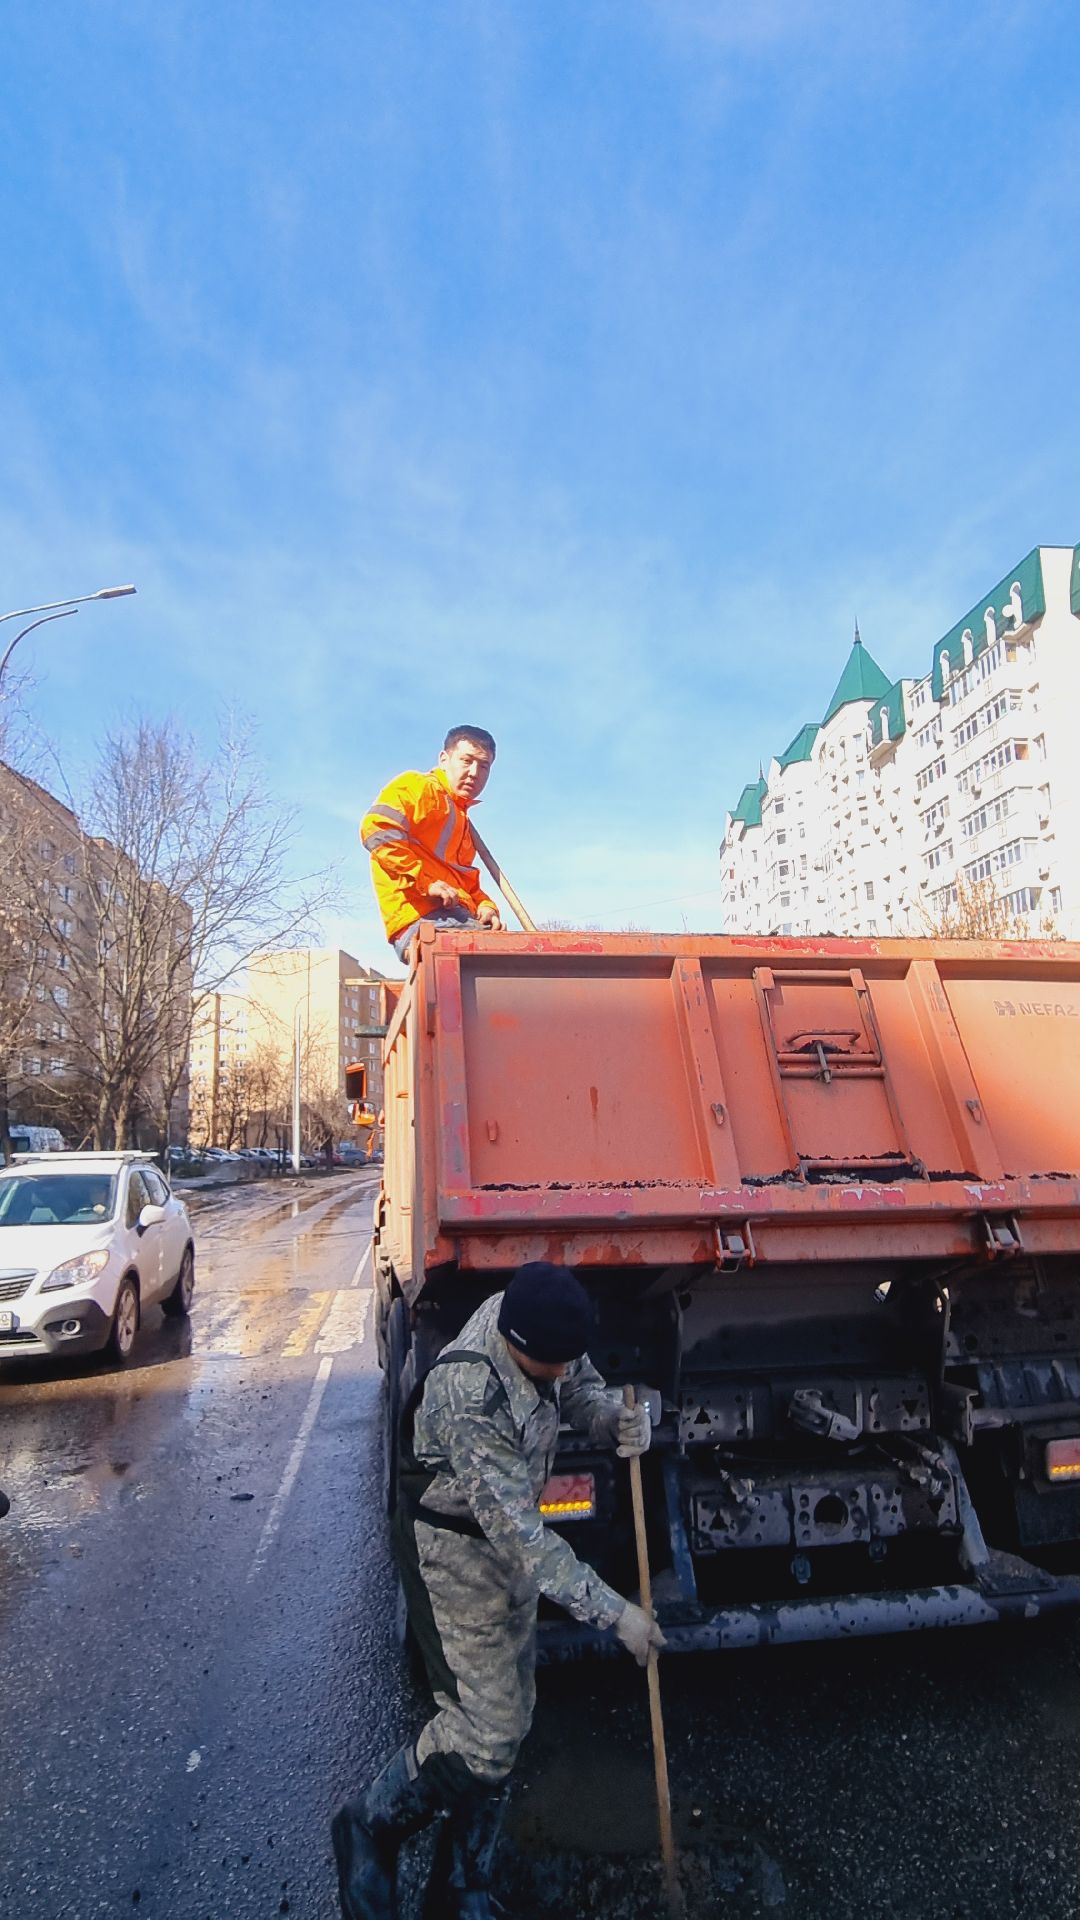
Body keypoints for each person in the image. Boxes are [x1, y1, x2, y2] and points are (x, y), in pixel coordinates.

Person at [331, 1262, 665, 1920]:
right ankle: (370, 1826)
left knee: (510, 1719)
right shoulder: (468, 1393)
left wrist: (614, 1423)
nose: (567, 1373)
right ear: (519, 1346)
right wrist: (617, 1614)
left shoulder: (537, 1317)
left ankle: (461, 1884)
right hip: (450, 1553)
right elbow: (525, 1541)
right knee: (483, 1731)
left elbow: (583, 1391)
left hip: (501, 1542)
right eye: (554, 1364)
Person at [361, 728, 504, 960]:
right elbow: (377, 830)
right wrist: (425, 882)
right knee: (509, 961)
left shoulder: (462, 820)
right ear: (444, 760)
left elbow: (465, 881)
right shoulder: (418, 786)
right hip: (423, 918)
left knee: (514, 955)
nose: (474, 773)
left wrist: (486, 907)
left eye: (484, 766)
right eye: (466, 761)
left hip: (455, 916)